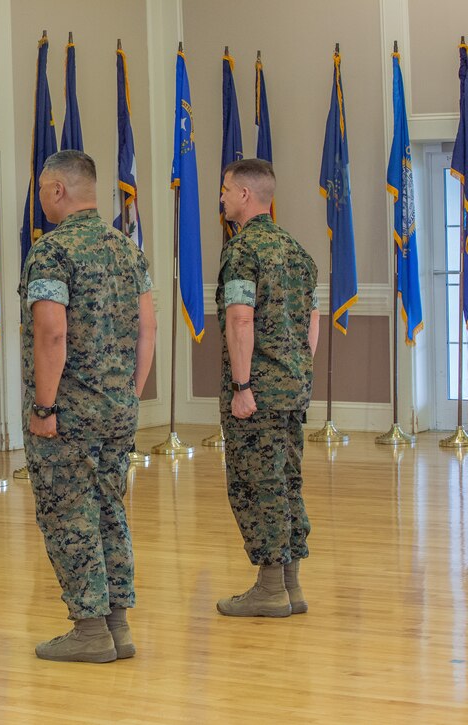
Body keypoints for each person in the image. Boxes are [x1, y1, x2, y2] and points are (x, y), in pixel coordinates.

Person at [19, 150, 156, 663]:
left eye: (41, 189)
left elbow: (51, 334)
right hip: (118, 409)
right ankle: (117, 625)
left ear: (58, 190)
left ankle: (90, 630)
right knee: (109, 510)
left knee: (69, 515)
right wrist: (130, 394)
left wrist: (44, 408)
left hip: (69, 415)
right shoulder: (127, 249)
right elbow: (148, 329)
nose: (40, 198)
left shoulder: (52, 253)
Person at [216, 158, 319, 617]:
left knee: (257, 485)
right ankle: (291, 586)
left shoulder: (243, 251)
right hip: (292, 389)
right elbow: (312, 320)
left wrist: (242, 385)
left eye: (225, 189)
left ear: (244, 195)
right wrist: (298, 372)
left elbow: (241, 320)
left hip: (256, 393)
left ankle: (271, 588)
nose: (221, 197)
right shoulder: (297, 252)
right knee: (287, 481)